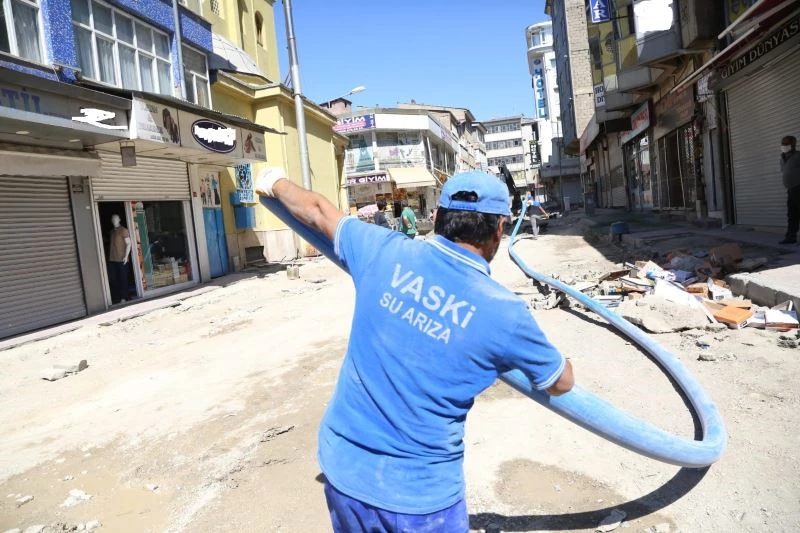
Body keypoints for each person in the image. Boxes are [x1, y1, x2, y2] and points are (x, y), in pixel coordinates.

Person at [255, 168, 574, 533]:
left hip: (344, 470)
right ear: (500, 229)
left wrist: (276, 182)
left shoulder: (381, 249)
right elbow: (560, 382)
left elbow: (316, 210)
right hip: (420, 501)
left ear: (437, 218)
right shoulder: (505, 313)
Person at [780, 135, 800, 245]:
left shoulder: (798, 156)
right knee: (792, 214)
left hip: (799, 188)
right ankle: (791, 237)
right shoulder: (783, 157)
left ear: (793, 145)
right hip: (791, 190)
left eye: (787, 143)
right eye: (783, 143)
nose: (784, 146)